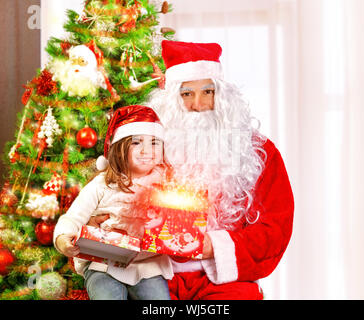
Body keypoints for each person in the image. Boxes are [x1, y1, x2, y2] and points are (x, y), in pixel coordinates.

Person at [89, 40, 294, 300]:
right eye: (187, 94)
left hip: (224, 279)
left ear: (222, 96)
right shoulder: (144, 149)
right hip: (157, 276)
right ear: (171, 99)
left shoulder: (258, 152)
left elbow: (275, 227)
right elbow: (115, 198)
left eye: (208, 92)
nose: (198, 104)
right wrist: (103, 223)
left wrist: (213, 247)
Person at [53, 105, 173, 300]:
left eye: (154, 142)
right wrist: (63, 239)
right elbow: (74, 217)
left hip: (147, 265)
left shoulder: (167, 184)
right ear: (120, 148)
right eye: (136, 142)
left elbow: (180, 223)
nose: (147, 150)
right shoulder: (103, 183)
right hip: (103, 263)